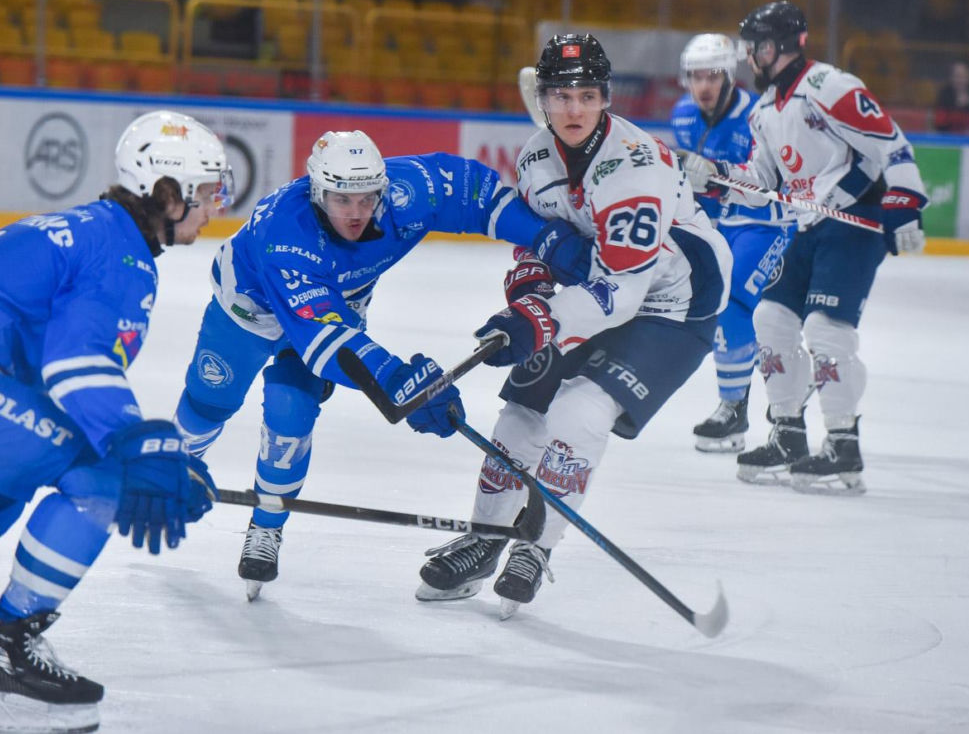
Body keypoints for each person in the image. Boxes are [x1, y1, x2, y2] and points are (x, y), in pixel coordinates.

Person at [172, 130, 593, 601]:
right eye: (341, 200)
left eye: (367, 198)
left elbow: (472, 192)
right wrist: (397, 379)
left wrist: (544, 236)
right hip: (248, 311)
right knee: (208, 405)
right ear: (317, 193)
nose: (356, 213)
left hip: (333, 307)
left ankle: (266, 526)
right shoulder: (286, 235)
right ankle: (168, 468)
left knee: (291, 409)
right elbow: (322, 338)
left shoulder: (406, 191)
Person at [414, 33, 732, 617]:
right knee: (522, 409)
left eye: (587, 95)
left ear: (606, 98)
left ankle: (536, 547)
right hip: (598, 291)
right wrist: (530, 296)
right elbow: (537, 244)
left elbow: (624, 293)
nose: (574, 109)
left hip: (674, 304)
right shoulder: (536, 158)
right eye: (561, 96)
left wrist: (540, 321)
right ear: (544, 100)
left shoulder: (634, 168)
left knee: (580, 412)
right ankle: (485, 540)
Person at [0, 111, 228, 729]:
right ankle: (7, 647)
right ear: (168, 193)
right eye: (208, 192)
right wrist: (135, 447)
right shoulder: (120, 255)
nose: (216, 208)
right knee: (100, 478)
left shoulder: (95, 230)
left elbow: (44, 363)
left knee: (25, 470)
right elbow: (74, 361)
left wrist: (150, 450)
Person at [679, 1, 929, 495]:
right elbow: (762, 182)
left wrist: (905, 200)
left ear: (778, 47)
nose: (750, 57)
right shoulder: (766, 110)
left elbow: (891, 142)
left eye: (755, 48)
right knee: (770, 318)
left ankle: (843, 445)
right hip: (810, 225)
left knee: (825, 329)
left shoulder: (828, 86)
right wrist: (717, 177)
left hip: (855, 221)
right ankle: (788, 434)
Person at [670, 33, 796, 453]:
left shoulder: (758, 115)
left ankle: (736, 409)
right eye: (695, 76)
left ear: (728, 77)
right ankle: (785, 387)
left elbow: (772, 182)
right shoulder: (683, 115)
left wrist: (715, 175)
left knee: (733, 304)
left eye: (712, 75)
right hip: (721, 224)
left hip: (767, 223)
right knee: (716, 307)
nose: (703, 85)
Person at [933, 59, 969, 135]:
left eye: (964, 76)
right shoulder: (943, 98)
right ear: (951, 78)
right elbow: (939, 125)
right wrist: (958, 108)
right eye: (957, 76)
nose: (960, 79)